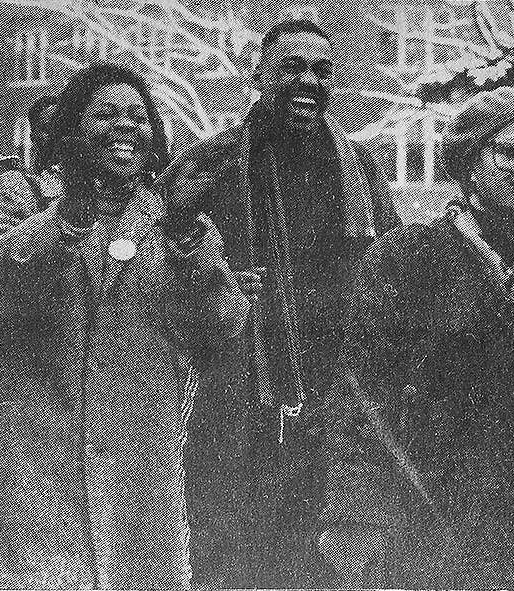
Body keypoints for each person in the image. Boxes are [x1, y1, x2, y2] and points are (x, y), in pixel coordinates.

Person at [0, 62, 249, 589]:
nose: (126, 127)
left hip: (141, 462)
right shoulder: (25, 220)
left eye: (138, 117)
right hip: (41, 465)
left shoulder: (178, 226)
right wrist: (68, 227)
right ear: (73, 136)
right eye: (106, 115)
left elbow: (225, 325)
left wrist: (189, 245)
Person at [155, 19, 400, 587]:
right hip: (236, 395)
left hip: (336, 396)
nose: (308, 84)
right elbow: (165, 262)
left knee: (328, 551)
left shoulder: (359, 171)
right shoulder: (211, 162)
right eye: (292, 68)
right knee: (234, 547)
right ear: (258, 73)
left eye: (321, 71)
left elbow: (387, 270)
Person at [320, 86, 514, 588]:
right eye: (512, 152)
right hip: (455, 519)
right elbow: (367, 404)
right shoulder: (411, 260)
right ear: (468, 164)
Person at [25, 95, 62, 209]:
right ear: (33, 137)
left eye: (61, 128)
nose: (55, 135)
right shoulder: (26, 185)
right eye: (48, 129)